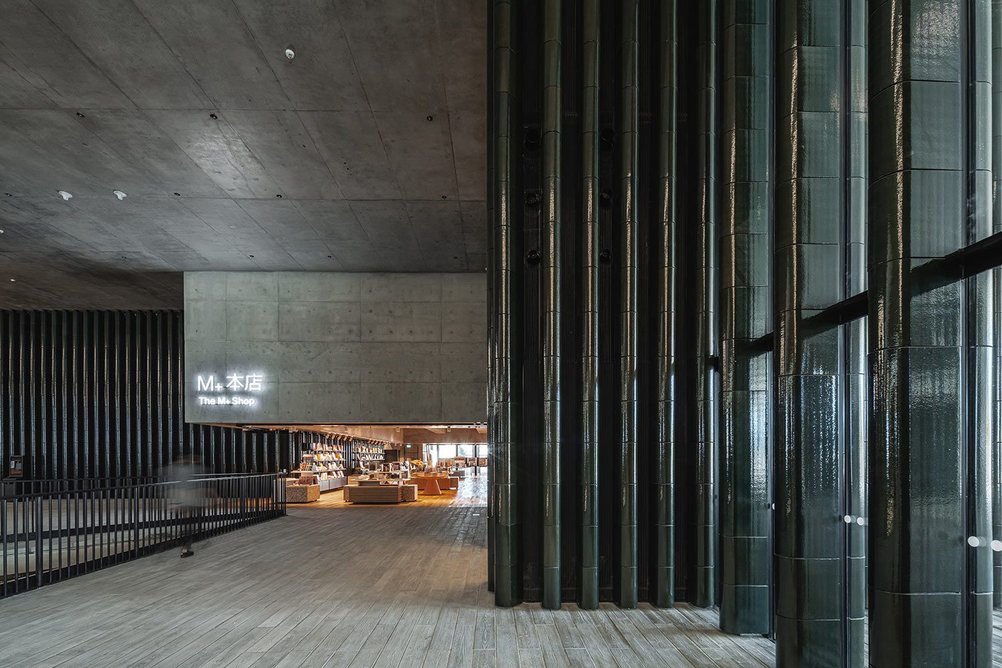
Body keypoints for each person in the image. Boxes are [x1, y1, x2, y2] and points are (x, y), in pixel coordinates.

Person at [163, 455, 206, 558]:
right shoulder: (191, 470)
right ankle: (186, 548)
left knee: (185, 524)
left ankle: (184, 546)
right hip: (188, 501)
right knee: (188, 525)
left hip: (180, 501)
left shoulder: (174, 469)